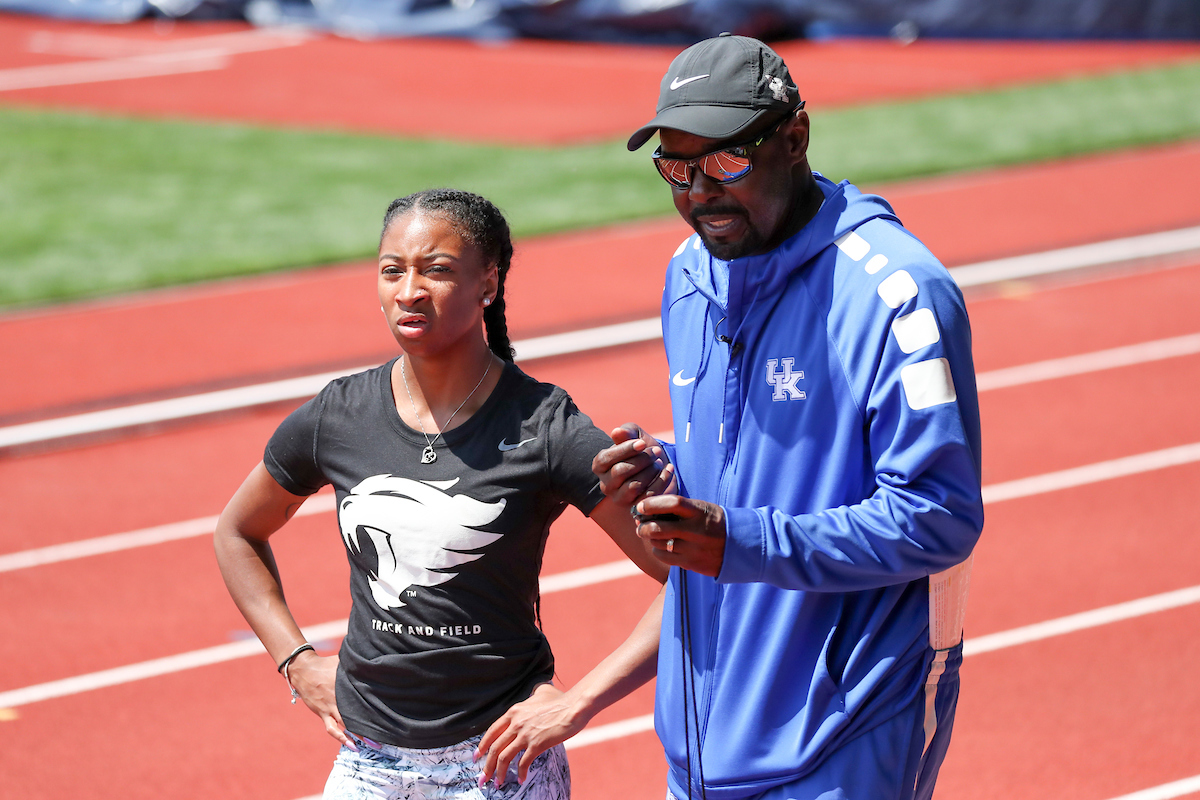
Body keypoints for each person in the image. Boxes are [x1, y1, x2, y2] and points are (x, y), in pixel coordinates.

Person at [592, 33, 986, 800]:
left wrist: (736, 540)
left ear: (796, 138)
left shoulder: (898, 294)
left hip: (845, 731)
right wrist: (665, 470)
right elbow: (754, 464)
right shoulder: (690, 273)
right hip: (704, 737)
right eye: (676, 168)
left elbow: (938, 516)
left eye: (727, 161)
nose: (700, 191)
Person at [213, 188, 668, 800]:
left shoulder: (543, 425)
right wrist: (295, 661)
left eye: (437, 270)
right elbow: (237, 531)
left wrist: (580, 702)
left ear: (489, 282)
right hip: (368, 759)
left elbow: (692, 576)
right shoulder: (339, 415)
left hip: (499, 765)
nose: (408, 291)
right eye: (391, 270)